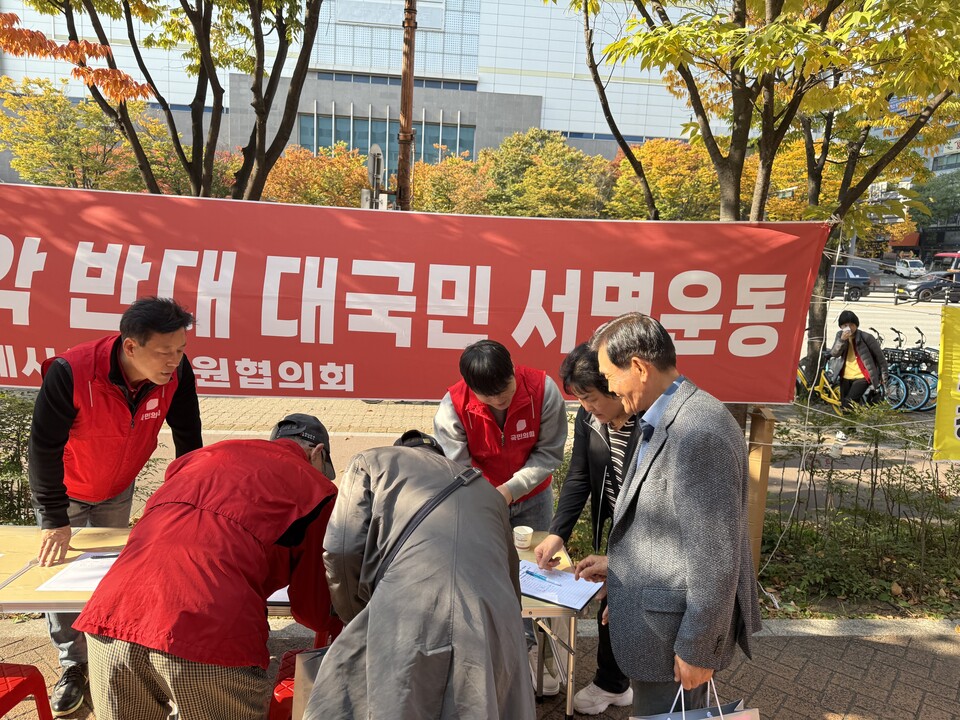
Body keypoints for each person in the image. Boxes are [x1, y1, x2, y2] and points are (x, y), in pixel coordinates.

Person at [74, 414, 338, 720]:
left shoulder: (203, 457)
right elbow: (313, 608)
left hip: (111, 617)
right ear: (317, 452)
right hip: (207, 633)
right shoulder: (317, 488)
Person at [575, 312, 761, 716]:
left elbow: (716, 559)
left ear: (639, 368)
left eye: (610, 376)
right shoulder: (667, 418)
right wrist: (618, 567)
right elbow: (672, 532)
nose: (608, 387)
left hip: (674, 638)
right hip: (658, 625)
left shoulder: (698, 431)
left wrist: (697, 647)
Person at [27, 296, 203, 716]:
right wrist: (53, 518)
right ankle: (73, 666)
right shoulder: (72, 372)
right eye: (164, 351)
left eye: (180, 349)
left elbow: (188, 437)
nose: (174, 360)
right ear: (130, 347)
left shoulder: (175, 373)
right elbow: (43, 448)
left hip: (117, 491)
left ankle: (113, 662)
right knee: (64, 587)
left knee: (109, 577)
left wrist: (186, 500)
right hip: (65, 492)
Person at [304, 430, 536, 720]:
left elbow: (341, 550)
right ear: (443, 459)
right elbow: (510, 577)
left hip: (410, 607)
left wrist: (356, 616)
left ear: (402, 450)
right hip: (493, 622)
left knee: (396, 702)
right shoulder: (489, 493)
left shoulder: (371, 461)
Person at [533, 342, 639, 715]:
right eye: (579, 398)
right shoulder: (590, 417)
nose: (586, 406)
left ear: (615, 384)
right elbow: (579, 476)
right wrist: (557, 532)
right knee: (610, 597)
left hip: (653, 528)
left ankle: (628, 682)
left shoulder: (651, 422)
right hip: (616, 522)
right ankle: (615, 682)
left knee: (635, 601)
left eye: (591, 396)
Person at [433, 339, 567, 533]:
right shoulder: (453, 406)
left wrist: (512, 489)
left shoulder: (542, 390)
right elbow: (456, 465)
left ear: (512, 368)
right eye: (488, 395)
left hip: (533, 495)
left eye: (504, 389)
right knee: (484, 557)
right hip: (481, 498)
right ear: (471, 387)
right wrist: (486, 494)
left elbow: (549, 452)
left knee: (533, 559)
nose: (498, 400)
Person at [828, 309, 889, 414]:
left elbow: (880, 358)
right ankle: (850, 430)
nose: (849, 328)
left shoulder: (866, 337)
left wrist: (884, 377)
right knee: (846, 407)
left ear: (856, 325)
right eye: (845, 325)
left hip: (863, 376)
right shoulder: (840, 335)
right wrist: (842, 340)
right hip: (845, 376)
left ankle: (849, 429)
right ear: (841, 327)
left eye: (851, 325)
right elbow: (835, 354)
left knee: (848, 404)